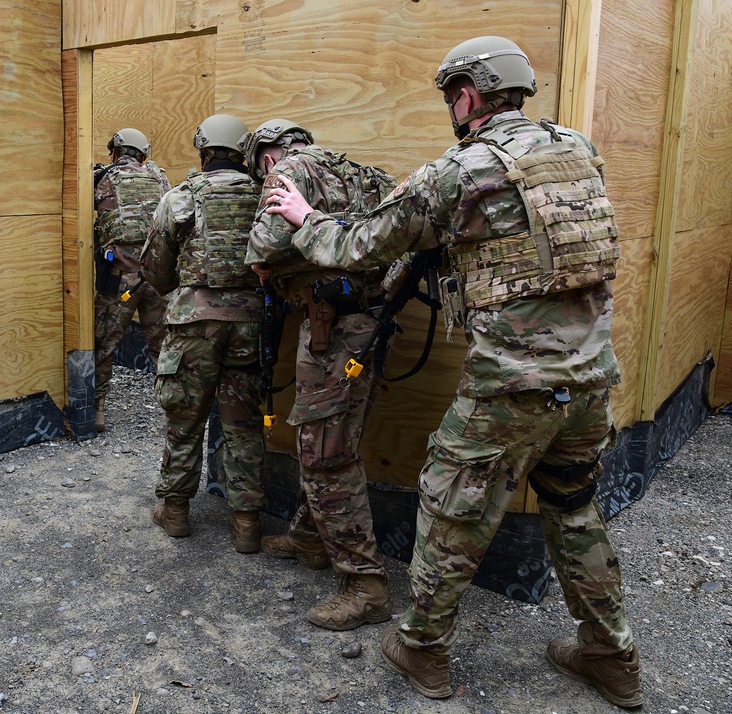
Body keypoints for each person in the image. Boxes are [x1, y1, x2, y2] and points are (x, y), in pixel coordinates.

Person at [264, 36, 642, 709]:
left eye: (450, 96)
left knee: (448, 511)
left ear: (467, 94)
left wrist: (304, 216)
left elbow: (357, 246)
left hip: (512, 384)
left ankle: (421, 648)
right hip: (588, 380)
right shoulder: (577, 149)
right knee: (575, 511)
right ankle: (611, 657)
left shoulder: (461, 172)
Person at [245, 119, 396, 631]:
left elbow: (263, 248)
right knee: (337, 436)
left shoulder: (285, 172)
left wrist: (273, 264)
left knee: (325, 453)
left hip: (330, 331)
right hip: (370, 325)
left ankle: (365, 584)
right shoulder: (365, 174)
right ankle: (309, 538)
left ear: (266, 156)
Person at [140, 114, 267, 552]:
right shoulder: (264, 196)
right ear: (243, 151)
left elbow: (155, 271)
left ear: (203, 149)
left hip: (193, 323)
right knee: (244, 423)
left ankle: (175, 511)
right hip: (250, 323)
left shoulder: (180, 198)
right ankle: (247, 522)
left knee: (184, 417)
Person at [93, 128, 171, 433]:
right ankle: (174, 411)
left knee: (103, 343)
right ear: (143, 154)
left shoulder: (102, 179)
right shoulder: (161, 178)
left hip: (119, 280)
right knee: (164, 346)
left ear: (116, 152)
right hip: (157, 278)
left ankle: (97, 409)